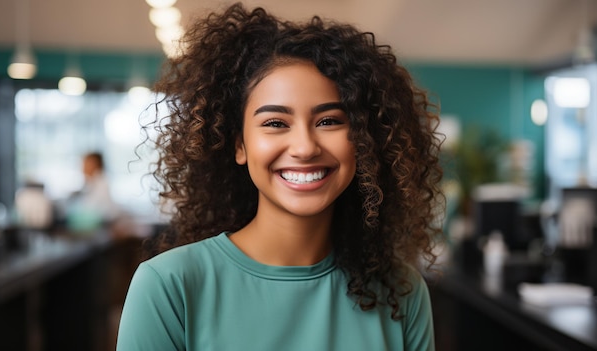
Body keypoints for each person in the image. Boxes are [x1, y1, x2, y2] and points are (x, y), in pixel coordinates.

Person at [117, 3, 444, 350]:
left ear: (364, 141)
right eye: (275, 123)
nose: (304, 147)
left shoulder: (401, 291)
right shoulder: (169, 286)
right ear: (239, 145)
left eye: (329, 121)